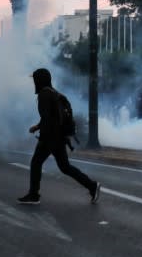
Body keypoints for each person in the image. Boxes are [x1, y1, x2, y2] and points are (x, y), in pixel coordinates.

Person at [18, 68, 101, 205]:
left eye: (35, 79)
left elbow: (47, 118)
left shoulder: (44, 95)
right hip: (58, 137)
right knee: (65, 167)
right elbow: (52, 116)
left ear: (39, 80)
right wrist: (38, 127)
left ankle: (34, 195)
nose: (34, 82)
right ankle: (92, 186)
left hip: (50, 138)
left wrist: (42, 134)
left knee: (36, 163)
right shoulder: (54, 93)